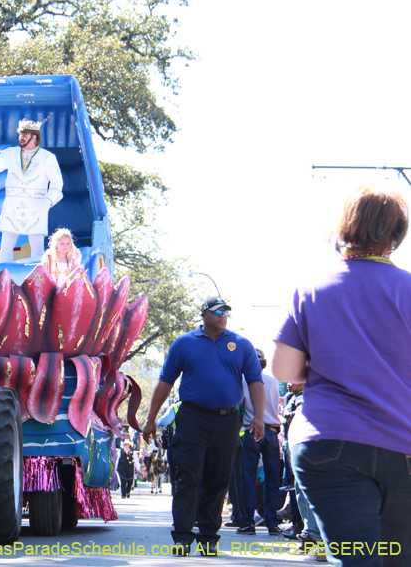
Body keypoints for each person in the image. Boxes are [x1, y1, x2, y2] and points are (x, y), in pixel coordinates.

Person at [271, 186, 411, 567]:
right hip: (403, 444)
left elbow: (283, 371)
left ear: (343, 230)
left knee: (356, 559)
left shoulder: (309, 289)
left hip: (326, 441)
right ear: (396, 236)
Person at [142, 296, 265, 557]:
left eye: (226, 312)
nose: (223, 315)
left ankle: (208, 536)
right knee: (187, 477)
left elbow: (255, 382)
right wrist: (151, 418)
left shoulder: (241, 344)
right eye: (217, 311)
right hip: (192, 418)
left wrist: (259, 417)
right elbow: (165, 381)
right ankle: (183, 537)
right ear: (204, 315)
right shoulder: (184, 343)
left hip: (228, 420)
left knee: (218, 480)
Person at [0, 119, 63, 263]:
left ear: (34, 136)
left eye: (24, 135)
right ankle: (3, 280)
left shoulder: (47, 157)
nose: (21, 138)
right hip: (12, 205)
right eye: (20, 135)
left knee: (37, 248)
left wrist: (48, 201)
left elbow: (57, 183)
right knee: (6, 246)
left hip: (37, 207)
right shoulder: (11, 153)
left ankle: (38, 281)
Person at [236, 350, 284, 536]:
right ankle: (272, 523)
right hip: (271, 432)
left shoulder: (243, 382)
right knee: (272, 480)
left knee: (248, 479)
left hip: (251, 431)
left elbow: (239, 405)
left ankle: (248, 523)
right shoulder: (274, 382)